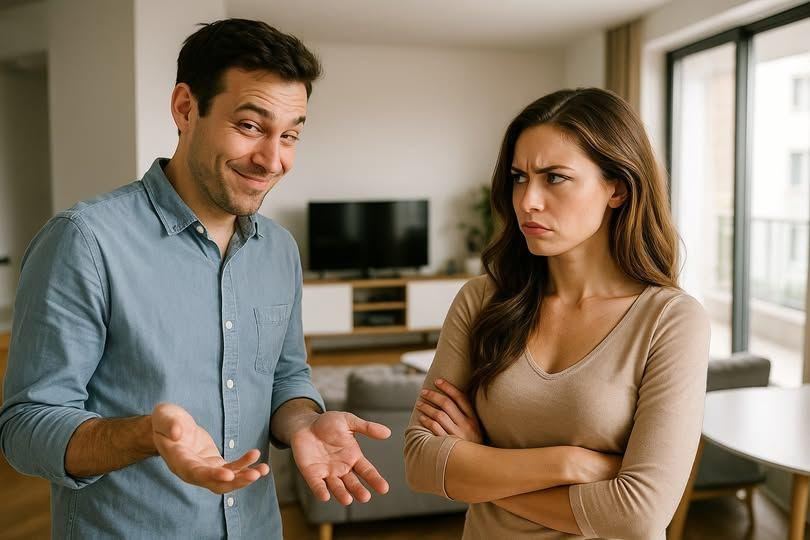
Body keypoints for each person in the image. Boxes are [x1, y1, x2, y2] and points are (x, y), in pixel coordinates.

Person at [0, 19, 390, 539]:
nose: (273, 160)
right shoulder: (84, 240)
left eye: (291, 134)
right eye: (251, 126)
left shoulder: (279, 250)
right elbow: (26, 426)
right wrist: (144, 435)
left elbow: (286, 377)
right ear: (186, 108)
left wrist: (302, 422)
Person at [403, 88, 710, 539]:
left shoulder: (670, 321)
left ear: (617, 188)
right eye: (519, 177)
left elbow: (638, 513)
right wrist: (566, 463)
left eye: (555, 178)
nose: (528, 201)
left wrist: (479, 465)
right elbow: (421, 463)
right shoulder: (480, 300)